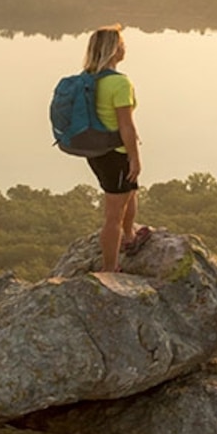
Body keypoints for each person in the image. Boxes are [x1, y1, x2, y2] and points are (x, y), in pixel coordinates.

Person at [80, 25, 152, 272]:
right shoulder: (120, 84)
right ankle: (110, 269)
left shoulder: (89, 78)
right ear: (114, 50)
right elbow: (126, 127)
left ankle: (129, 236)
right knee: (113, 216)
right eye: (121, 43)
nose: (124, 47)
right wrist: (134, 158)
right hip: (116, 154)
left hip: (97, 153)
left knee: (130, 191)